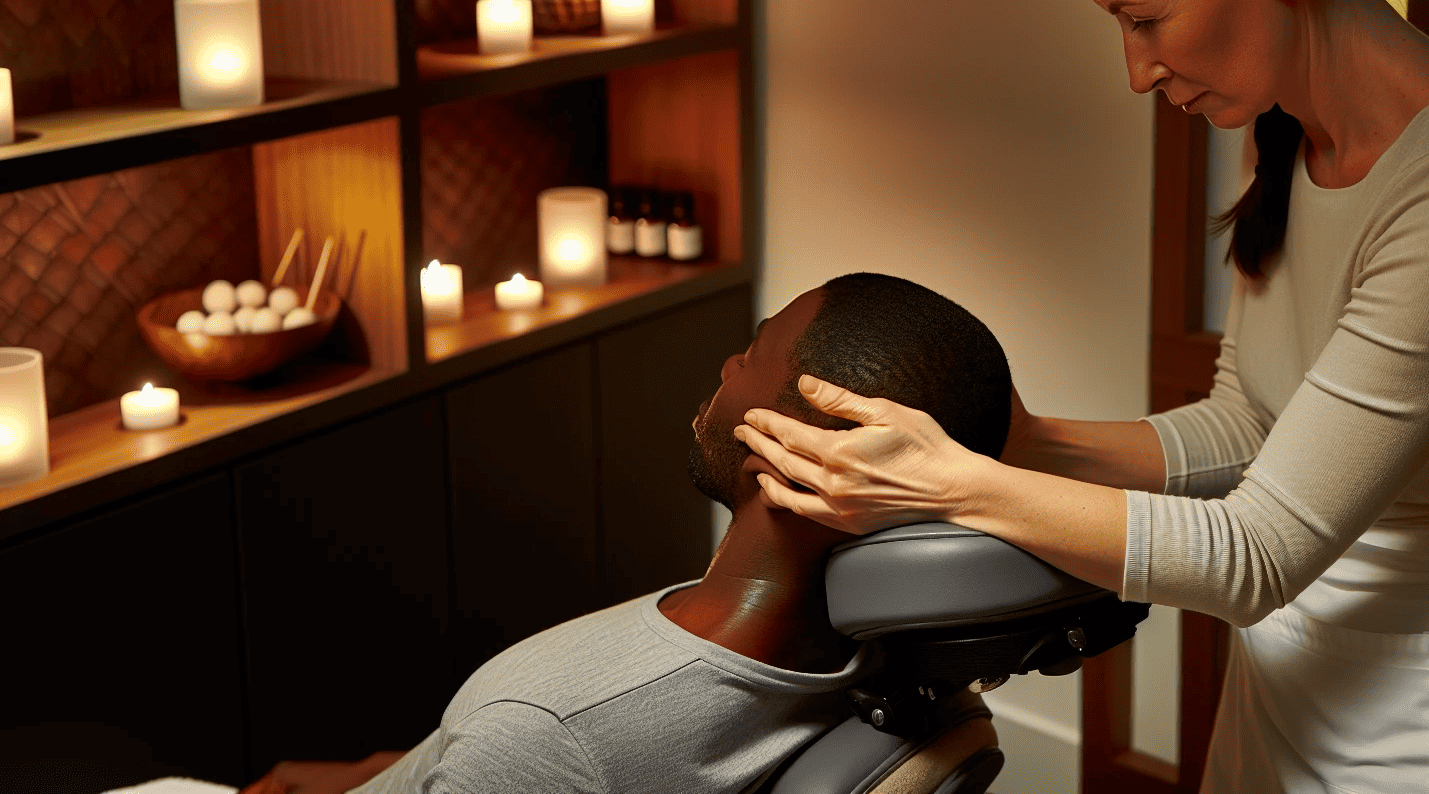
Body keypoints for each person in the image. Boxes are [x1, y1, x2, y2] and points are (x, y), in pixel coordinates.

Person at [733, 0, 1429, 792]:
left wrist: (953, 483)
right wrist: (1021, 440)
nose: (1135, 70)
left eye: (1143, 18)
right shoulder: (1291, 136)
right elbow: (1247, 431)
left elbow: (1261, 547)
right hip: (1293, 670)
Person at [239, 272, 1013, 794]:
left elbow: (546, 751)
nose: (727, 361)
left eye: (757, 351)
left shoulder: (549, 731)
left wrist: (484, 756)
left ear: (793, 451)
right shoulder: (880, 660)